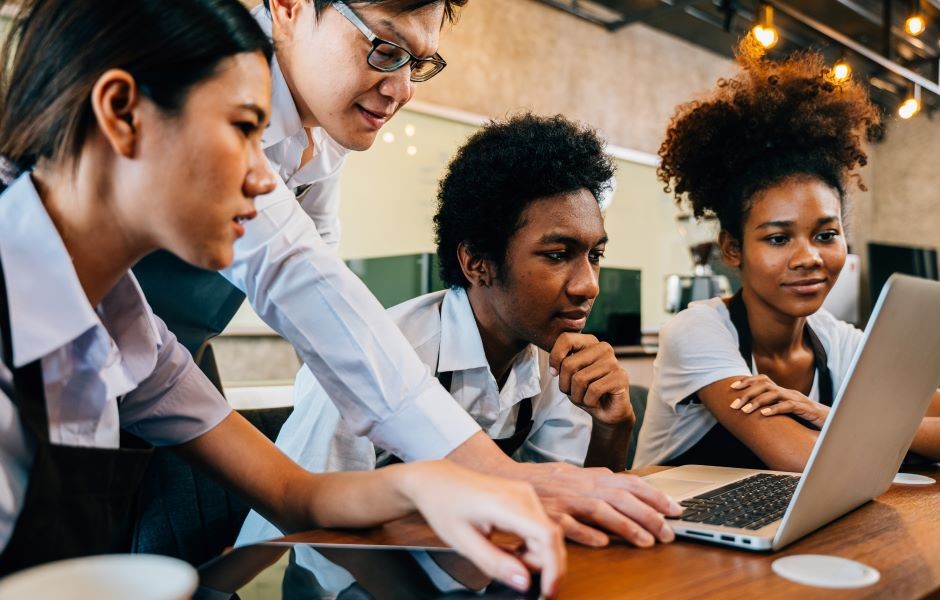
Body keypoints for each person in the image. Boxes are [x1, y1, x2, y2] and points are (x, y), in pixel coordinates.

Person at [0, 1, 567, 594]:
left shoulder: (129, 329)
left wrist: (419, 484)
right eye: (245, 129)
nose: (268, 180)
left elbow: (297, 493)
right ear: (122, 113)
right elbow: (295, 275)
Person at [132, 0, 680, 545]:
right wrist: (494, 474)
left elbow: (309, 288)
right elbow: (297, 280)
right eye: (386, 49)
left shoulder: (318, 134)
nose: (404, 89)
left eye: (417, 64)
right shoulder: (203, 88)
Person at [239, 114, 659, 556]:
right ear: (477, 262)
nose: (589, 284)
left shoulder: (554, 361)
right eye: (557, 255)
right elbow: (304, 543)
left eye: (595, 255)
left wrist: (614, 427)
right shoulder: (377, 357)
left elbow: (568, 511)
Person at [633, 38, 940, 471]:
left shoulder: (838, 341)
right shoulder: (698, 332)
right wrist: (859, 431)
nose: (809, 257)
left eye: (826, 234)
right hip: (677, 531)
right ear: (733, 248)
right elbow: (805, 459)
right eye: (778, 239)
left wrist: (828, 417)